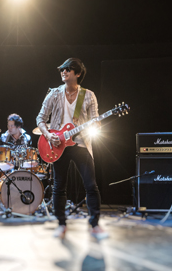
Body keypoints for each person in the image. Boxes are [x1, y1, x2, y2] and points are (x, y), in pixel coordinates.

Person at [36, 58, 108, 240]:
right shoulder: (53, 94)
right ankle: (61, 224)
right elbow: (40, 119)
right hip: (57, 144)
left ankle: (95, 225)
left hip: (81, 144)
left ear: (77, 74)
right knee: (59, 186)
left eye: (68, 69)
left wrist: (97, 126)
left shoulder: (89, 95)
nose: (64, 72)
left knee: (91, 185)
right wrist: (48, 135)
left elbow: (96, 119)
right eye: (62, 69)